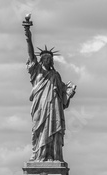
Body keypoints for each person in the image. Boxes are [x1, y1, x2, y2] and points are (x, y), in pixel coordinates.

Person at [23, 19, 76, 162]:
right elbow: (30, 53)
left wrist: (69, 91)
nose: (47, 60)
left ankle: (52, 156)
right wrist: (27, 33)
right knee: (38, 131)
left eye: (49, 58)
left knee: (54, 132)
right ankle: (39, 156)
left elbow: (63, 93)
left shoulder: (55, 75)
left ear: (51, 61)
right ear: (41, 60)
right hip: (40, 107)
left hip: (54, 108)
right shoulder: (36, 71)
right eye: (44, 58)